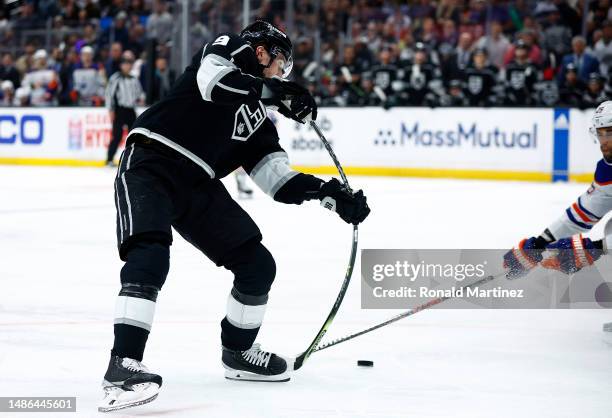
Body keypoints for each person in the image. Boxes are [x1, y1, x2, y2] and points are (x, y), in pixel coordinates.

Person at [99, 21, 370, 412]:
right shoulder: (231, 49)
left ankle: (238, 353)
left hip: (196, 182)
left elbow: (278, 181)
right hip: (151, 162)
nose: (281, 75)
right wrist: (274, 92)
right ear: (263, 52)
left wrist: (328, 194)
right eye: (281, 66)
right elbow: (216, 85)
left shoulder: (258, 118)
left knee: (257, 264)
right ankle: (121, 368)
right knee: (150, 255)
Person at [504, 100, 612, 280]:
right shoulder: (607, 169)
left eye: (610, 133)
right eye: (600, 134)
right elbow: (584, 213)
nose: (604, 142)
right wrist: (541, 243)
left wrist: (598, 247)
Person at [104, 51, 143, 166]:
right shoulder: (116, 78)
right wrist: (111, 110)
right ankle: (109, 158)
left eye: (129, 63)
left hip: (130, 110)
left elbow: (139, 93)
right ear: (121, 65)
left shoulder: (134, 79)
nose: (127, 66)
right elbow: (109, 94)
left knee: (135, 134)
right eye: (125, 63)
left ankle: (134, 158)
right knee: (117, 135)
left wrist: (140, 98)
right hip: (119, 110)